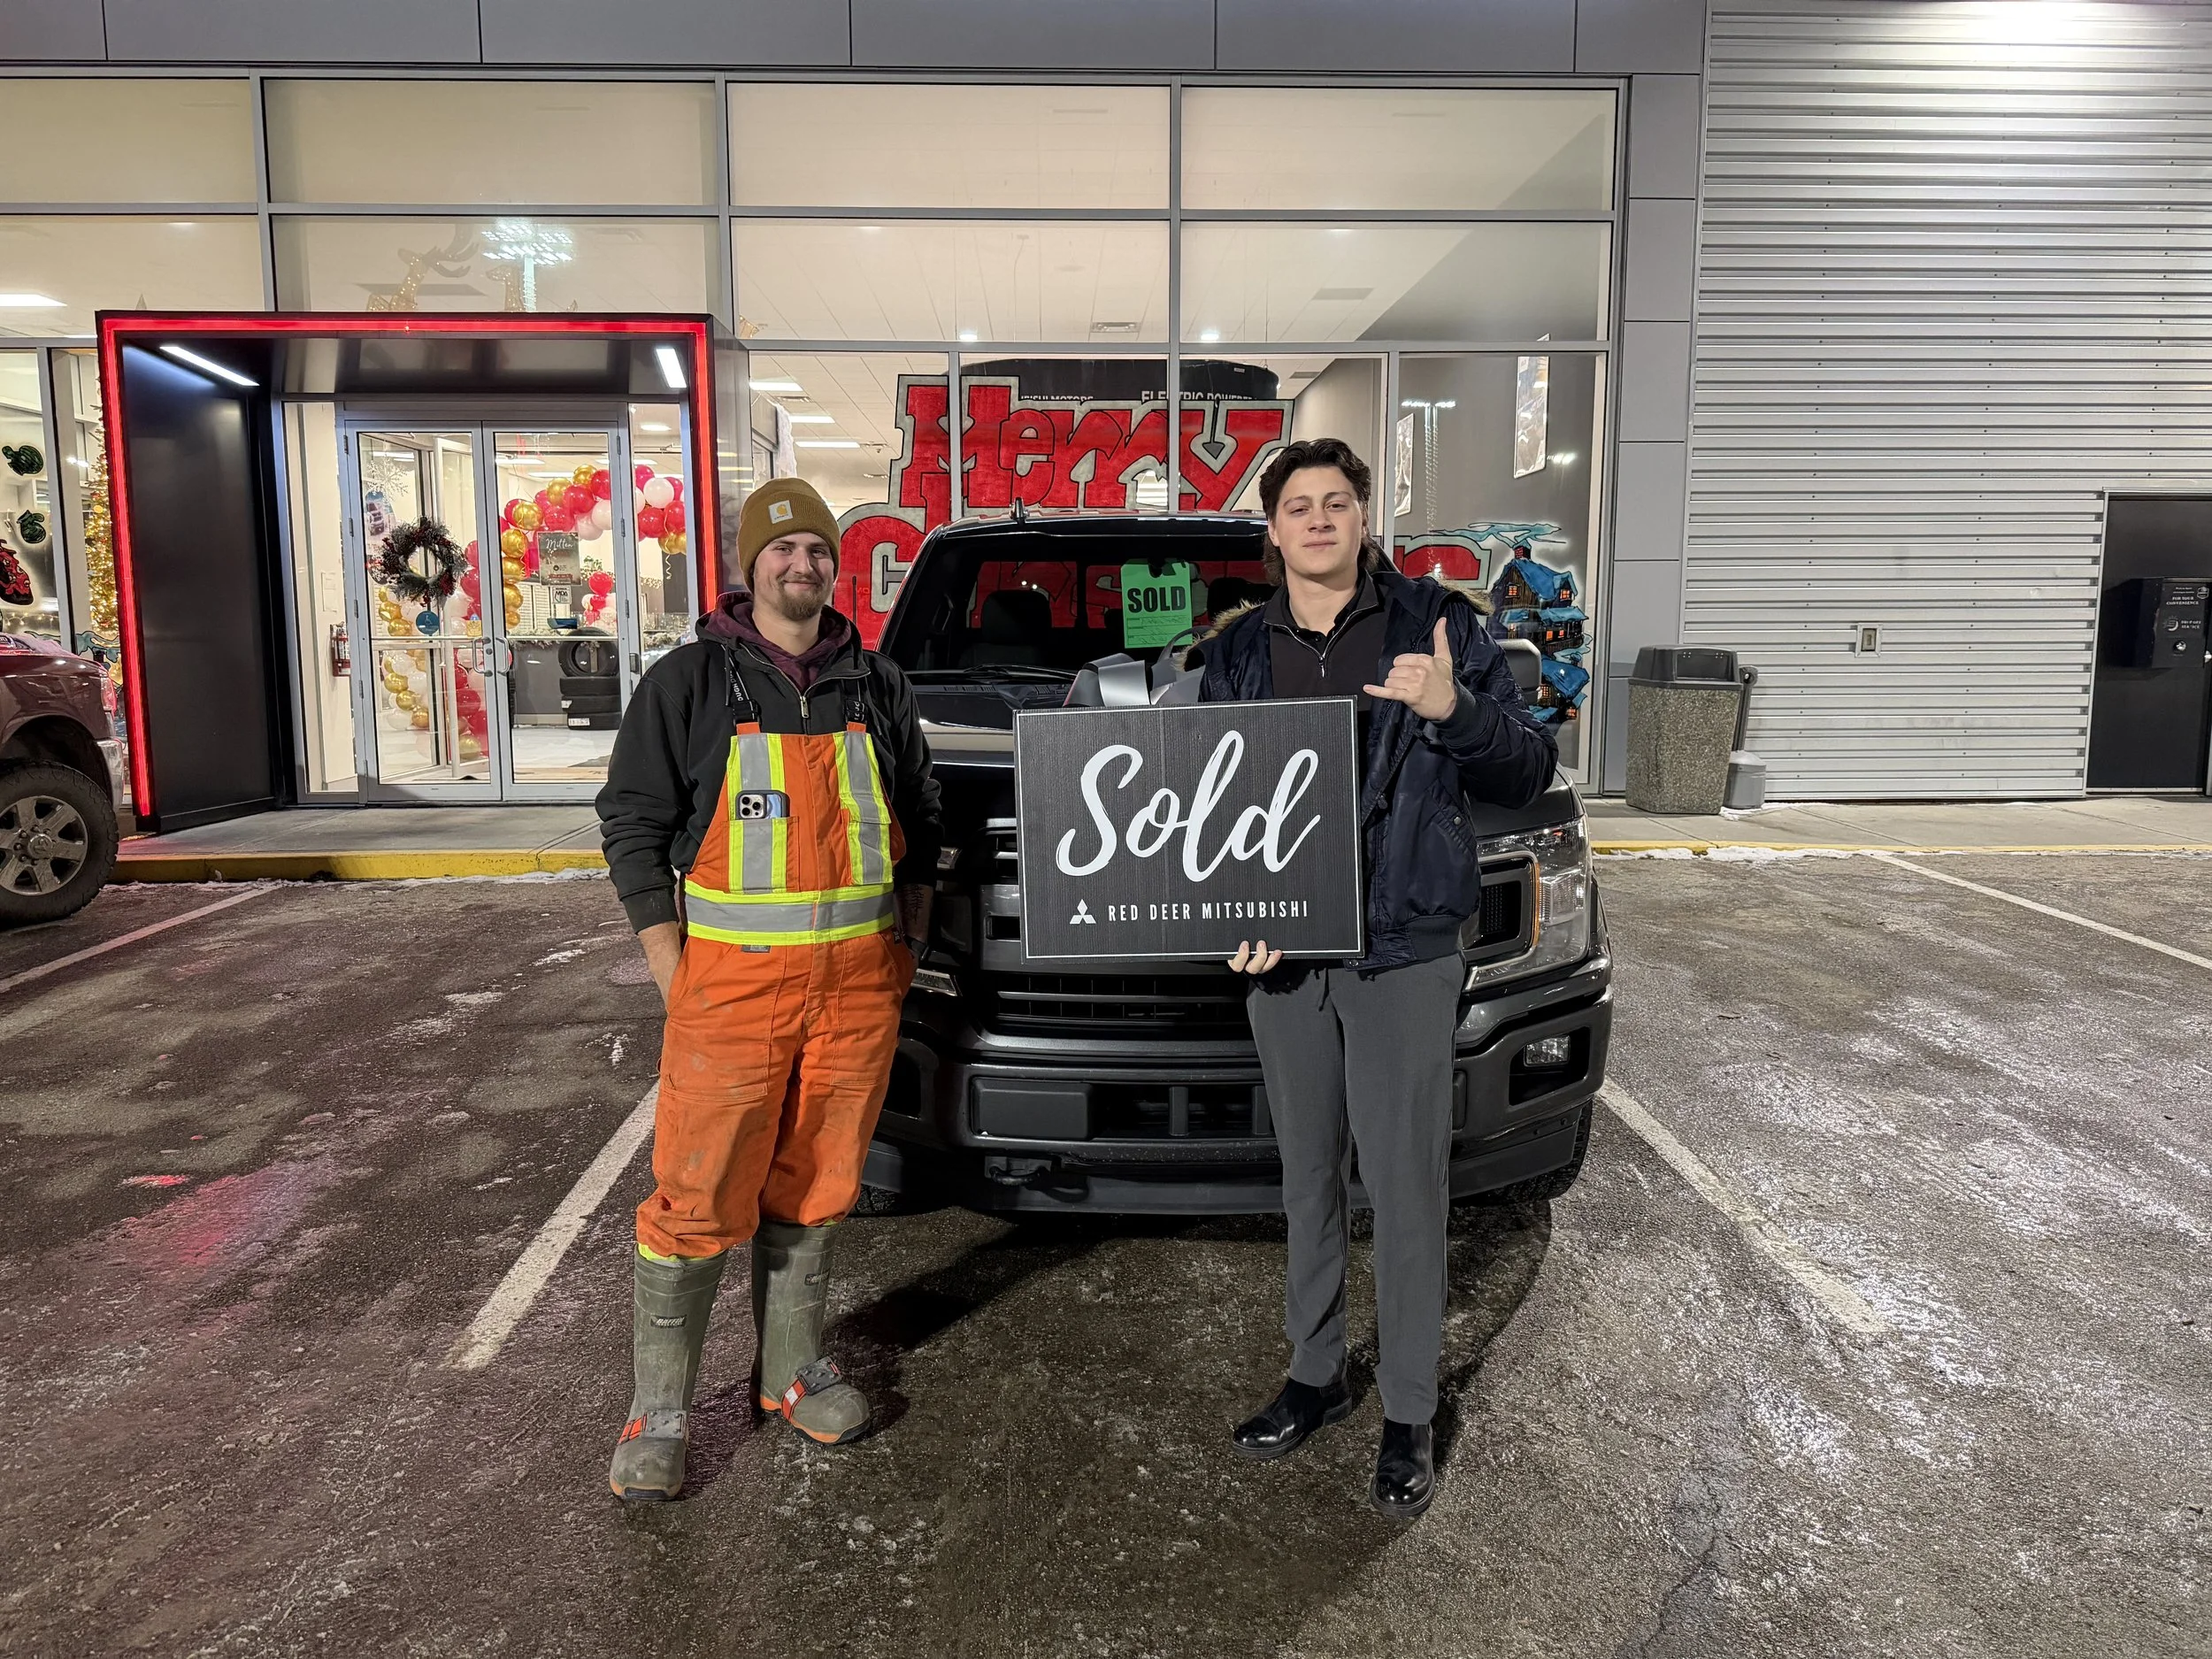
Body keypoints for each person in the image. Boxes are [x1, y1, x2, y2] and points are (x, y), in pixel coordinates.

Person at [1201, 437, 1556, 1521]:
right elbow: (1208, 811)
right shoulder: (1236, 654)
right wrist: (1232, 919)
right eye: (1298, 506)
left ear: (1364, 519)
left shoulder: (1438, 627)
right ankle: (1314, 1377)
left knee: (1403, 1186)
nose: (1317, 520)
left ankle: (1406, 1406)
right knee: (1306, 1175)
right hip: (1285, 957)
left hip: (1403, 947)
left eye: (1337, 503)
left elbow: (1530, 765)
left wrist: (1458, 712)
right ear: (1271, 532)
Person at [595, 476, 941, 1501]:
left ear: (837, 568)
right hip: (730, 996)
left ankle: (788, 1373)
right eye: (782, 550)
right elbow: (632, 824)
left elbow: (920, 812)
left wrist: (909, 943)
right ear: (749, 568)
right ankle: (659, 1409)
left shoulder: (876, 684)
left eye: (817, 550)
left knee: (821, 1180)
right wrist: (671, 965)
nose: (803, 565)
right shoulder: (689, 684)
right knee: (698, 1192)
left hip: (857, 991)